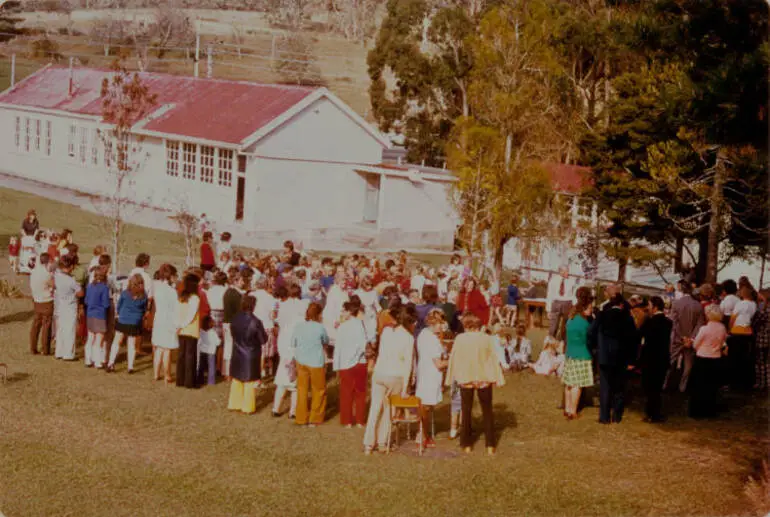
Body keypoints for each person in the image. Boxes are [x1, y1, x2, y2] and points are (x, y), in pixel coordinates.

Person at [445, 313, 505, 455]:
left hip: (466, 377)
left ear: (466, 325)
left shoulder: (460, 339)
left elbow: (454, 358)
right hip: (484, 377)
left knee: (466, 411)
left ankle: (466, 444)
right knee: (487, 411)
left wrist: (450, 378)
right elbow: (493, 358)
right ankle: (490, 444)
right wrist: (498, 378)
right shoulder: (486, 339)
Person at [363, 305, 416, 455]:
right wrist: (406, 387)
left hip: (380, 372)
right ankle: (382, 442)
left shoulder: (386, 332)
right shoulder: (408, 338)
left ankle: (368, 444)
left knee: (375, 409)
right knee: (388, 411)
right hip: (396, 375)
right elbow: (408, 365)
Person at [589, 285, 639, 424]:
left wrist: (595, 347)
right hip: (621, 357)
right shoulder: (627, 319)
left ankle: (604, 416)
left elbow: (591, 332)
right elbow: (634, 340)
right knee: (619, 387)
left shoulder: (602, 315)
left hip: (605, 355)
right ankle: (617, 415)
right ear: (621, 303)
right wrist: (632, 360)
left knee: (605, 386)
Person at [272, 284, 309, 419]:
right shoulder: (303, 306)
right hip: (296, 345)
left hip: (285, 343)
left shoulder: (284, 306)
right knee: (295, 382)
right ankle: (292, 411)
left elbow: (278, 322)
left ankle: (276, 408)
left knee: (282, 378)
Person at [228, 295, 268, 414]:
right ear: (253, 306)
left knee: (237, 378)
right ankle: (247, 407)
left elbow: (232, 333)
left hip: (237, 350)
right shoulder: (256, 321)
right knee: (249, 381)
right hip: (251, 353)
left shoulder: (235, 318)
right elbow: (263, 340)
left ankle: (234, 403)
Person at [333, 297, 369, 428]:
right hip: (359, 362)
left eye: (343, 311)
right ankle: (359, 420)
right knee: (360, 393)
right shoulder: (359, 324)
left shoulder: (344, 327)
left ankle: (347, 420)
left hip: (347, 363)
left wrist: (337, 366)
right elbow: (363, 344)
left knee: (346, 393)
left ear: (349, 312)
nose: (341, 313)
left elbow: (338, 348)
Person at [293, 302, 330, 427]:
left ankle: (301, 418)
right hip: (316, 362)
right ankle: (315, 418)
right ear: (319, 314)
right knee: (318, 390)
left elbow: (294, 342)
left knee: (302, 390)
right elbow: (325, 341)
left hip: (301, 361)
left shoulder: (299, 326)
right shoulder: (320, 328)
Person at [664, 281, 705, 393]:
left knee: (670, 361)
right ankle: (683, 386)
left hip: (678, 337)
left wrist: (682, 336)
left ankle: (664, 383)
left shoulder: (677, 303)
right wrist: (691, 338)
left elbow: (674, 322)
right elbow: (700, 324)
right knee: (688, 365)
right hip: (690, 339)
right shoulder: (698, 306)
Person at [416, 309, 449, 448]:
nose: (442, 327)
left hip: (423, 373)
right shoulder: (432, 340)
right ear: (434, 323)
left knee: (426, 407)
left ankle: (425, 435)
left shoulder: (423, 334)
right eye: (441, 324)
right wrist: (453, 360)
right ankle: (422, 436)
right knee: (426, 407)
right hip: (431, 376)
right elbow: (439, 364)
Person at [688, 304, 728, 418]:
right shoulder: (722, 328)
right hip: (715, 358)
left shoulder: (704, 329)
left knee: (698, 386)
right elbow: (722, 343)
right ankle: (710, 411)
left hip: (702, 358)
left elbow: (696, 345)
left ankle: (697, 411)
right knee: (711, 387)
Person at [562, 288, 594, 420]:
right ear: (585, 308)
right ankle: (573, 411)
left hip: (570, 354)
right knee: (577, 385)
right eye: (590, 308)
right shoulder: (585, 324)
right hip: (582, 354)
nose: (591, 310)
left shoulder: (571, 319)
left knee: (569, 384)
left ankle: (567, 408)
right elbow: (589, 340)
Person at [639, 296, 672, 423]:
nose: (648, 308)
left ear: (655, 307)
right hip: (662, 358)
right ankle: (656, 413)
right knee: (657, 388)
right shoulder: (668, 322)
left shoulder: (649, 322)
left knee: (649, 387)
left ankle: (649, 412)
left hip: (649, 358)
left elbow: (640, 335)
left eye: (649, 305)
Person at [106, 274, 148, 374]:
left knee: (117, 341)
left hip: (123, 320)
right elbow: (144, 309)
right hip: (135, 321)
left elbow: (119, 306)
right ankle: (130, 366)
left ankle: (111, 363)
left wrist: (120, 314)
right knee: (132, 343)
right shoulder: (144, 296)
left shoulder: (125, 293)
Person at [152, 264, 179, 383]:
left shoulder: (158, 289)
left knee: (159, 348)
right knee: (167, 349)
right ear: (170, 276)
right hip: (168, 320)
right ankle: (167, 374)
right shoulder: (172, 292)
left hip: (159, 319)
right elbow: (175, 309)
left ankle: (156, 373)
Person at [726, 286, 757, 392]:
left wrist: (729, 329)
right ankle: (746, 384)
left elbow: (733, 317)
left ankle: (734, 384)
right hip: (748, 332)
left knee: (734, 359)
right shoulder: (754, 305)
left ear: (742, 294)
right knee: (746, 360)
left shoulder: (740, 304)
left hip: (737, 331)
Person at [54, 254, 84, 361]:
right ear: (70, 266)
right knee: (70, 330)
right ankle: (68, 354)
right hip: (70, 305)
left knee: (61, 329)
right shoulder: (71, 280)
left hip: (60, 304)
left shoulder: (57, 276)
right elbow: (80, 293)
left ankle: (59, 351)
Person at [176, 273, 201, 389]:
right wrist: (182, 325)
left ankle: (180, 379)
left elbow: (178, 312)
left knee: (182, 355)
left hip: (181, 329)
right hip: (190, 329)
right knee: (190, 355)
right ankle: (189, 381)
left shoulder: (181, 297)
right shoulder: (195, 298)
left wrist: (178, 325)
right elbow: (191, 315)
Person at [84, 267, 111, 368]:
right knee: (99, 340)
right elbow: (106, 304)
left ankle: (88, 359)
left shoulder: (90, 286)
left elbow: (86, 301)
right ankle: (97, 361)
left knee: (90, 338)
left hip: (90, 315)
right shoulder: (104, 288)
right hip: (100, 315)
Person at [30, 252, 54, 355]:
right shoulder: (47, 274)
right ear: (48, 262)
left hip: (36, 300)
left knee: (36, 324)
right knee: (46, 326)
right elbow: (53, 285)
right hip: (46, 300)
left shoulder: (34, 272)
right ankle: (45, 348)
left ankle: (33, 347)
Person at [547, 267, 576, 339]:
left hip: (568, 304)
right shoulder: (553, 281)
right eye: (566, 271)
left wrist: (574, 306)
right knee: (553, 326)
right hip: (556, 303)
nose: (568, 273)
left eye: (568, 271)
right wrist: (548, 309)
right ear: (560, 271)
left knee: (566, 326)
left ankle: (563, 344)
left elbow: (574, 295)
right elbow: (549, 295)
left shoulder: (572, 281)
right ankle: (550, 345)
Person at [752, 288, 770, 391]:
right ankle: (767, 382)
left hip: (761, 338)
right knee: (767, 362)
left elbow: (755, 323)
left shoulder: (763, 311)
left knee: (760, 362)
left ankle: (761, 383)